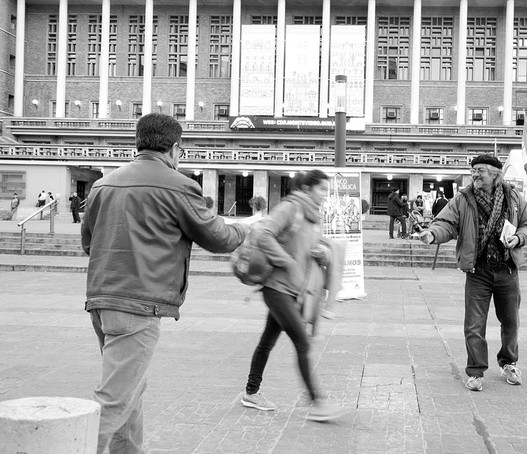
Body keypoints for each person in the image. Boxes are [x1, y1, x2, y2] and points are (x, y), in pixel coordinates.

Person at [81, 113, 248, 453]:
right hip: (139, 306)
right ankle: (79, 447)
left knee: (129, 390)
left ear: (138, 143)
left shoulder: (102, 185)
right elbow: (219, 239)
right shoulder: (178, 185)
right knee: (114, 399)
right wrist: (247, 228)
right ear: (174, 148)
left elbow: (88, 243)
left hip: (101, 302)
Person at [419, 154, 527, 392]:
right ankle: (475, 371)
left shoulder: (513, 197)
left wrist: (519, 238)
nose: (475, 174)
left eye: (480, 170)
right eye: (473, 170)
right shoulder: (464, 198)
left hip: (507, 270)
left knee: (511, 321)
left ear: (495, 173)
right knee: (474, 324)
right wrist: (433, 234)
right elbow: (447, 224)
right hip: (478, 271)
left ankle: (508, 363)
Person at [241, 169, 349, 422]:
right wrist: (287, 262)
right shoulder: (291, 208)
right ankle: (317, 401)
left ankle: (251, 392)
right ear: (308, 188)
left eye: (327, 190)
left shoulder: (313, 218)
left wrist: (320, 253)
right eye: (322, 189)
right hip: (276, 288)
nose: (325, 195)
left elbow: (307, 247)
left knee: (267, 342)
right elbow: (263, 233)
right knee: (302, 342)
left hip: (293, 292)